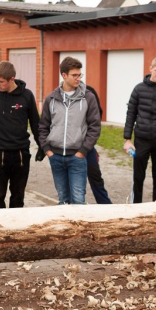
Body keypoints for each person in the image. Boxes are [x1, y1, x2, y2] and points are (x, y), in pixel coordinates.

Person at [39, 56, 101, 205]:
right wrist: (48, 150)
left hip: (77, 158)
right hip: (56, 157)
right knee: (63, 200)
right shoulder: (51, 99)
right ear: (64, 75)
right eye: (75, 75)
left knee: (79, 200)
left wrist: (83, 151)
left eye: (80, 75)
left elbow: (95, 127)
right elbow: (43, 127)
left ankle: (79, 229)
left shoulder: (88, 97)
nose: (78, 78)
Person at [0, 61, 41, 208]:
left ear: (12, 79)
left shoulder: (27, 96)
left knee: (18, 197)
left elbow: (35, 123)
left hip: (20, 154)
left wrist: (41, 145)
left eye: (0, 81)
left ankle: (16, 229)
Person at [123, 57, 156, 203]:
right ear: (150, 69)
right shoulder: (139, 89)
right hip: (141, 139)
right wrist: (127, 138)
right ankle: (136, 206)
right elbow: (131, 114)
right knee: (138, 177)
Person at [85, 85, 112, 204]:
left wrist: (90, 140)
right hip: (69, 146)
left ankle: (106, 207)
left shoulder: (89, 92)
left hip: (88, 146)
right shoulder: (61, 94)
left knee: (96, 177)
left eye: (78, 75)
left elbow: (97, 116)